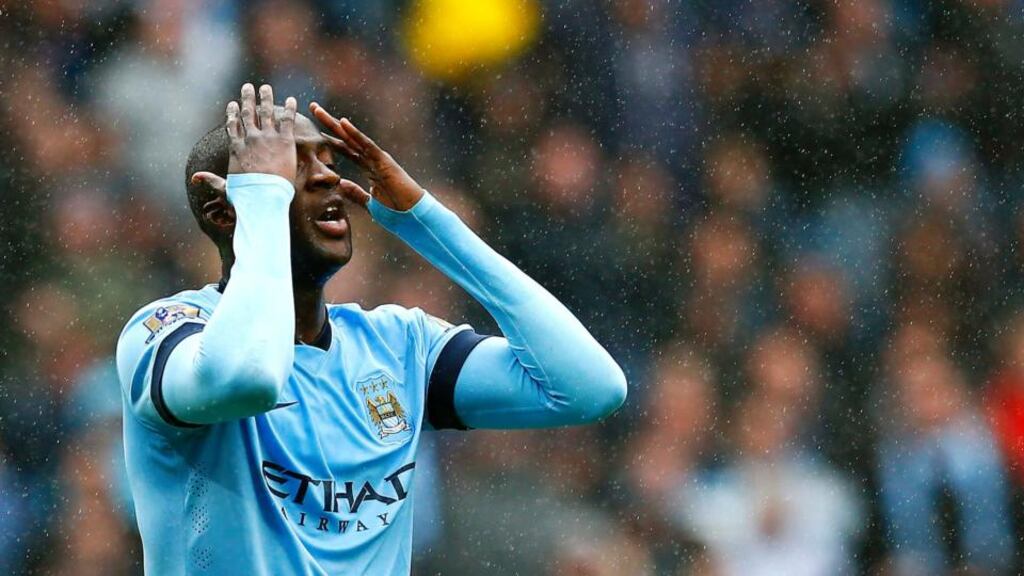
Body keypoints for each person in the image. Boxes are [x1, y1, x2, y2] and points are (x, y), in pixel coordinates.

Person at [114, 83, 627, 575]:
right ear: (223, 212)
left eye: (329, 162)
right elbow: (248, 378)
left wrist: (426, 222)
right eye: (290, 166)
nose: (326, 178)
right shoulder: (164, 335)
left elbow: (587, 389)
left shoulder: (399, 347)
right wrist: (262, 207)